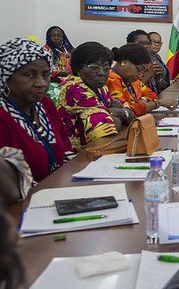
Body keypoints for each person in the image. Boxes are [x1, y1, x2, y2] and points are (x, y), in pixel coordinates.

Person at [0, 38, 72, 203]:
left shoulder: (44, 104)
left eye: (45, 75)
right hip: (21, 206)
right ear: (7, 77)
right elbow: (9, 187)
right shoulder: (2, 116)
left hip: (58, 193)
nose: (41, 83)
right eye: (29, 75)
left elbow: (66, 148)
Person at [57, 42, 133, 151]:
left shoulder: (100, 87)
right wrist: (120, 114)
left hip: (98, 148)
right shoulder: (74, 89)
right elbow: (110, 126)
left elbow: (130, 114)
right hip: (76, 156)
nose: (102, 73)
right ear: (78, 69)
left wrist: (119, 112)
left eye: (106, 68)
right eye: (94, 68)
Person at [107, 43, 177, 116]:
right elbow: (126, 111)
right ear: (123, 62)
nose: (140, 76)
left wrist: (142, 101)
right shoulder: (112, 79)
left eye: (144, 72)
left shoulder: (133, 81)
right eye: (139, 69)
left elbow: (152, 95)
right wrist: (157, 103)